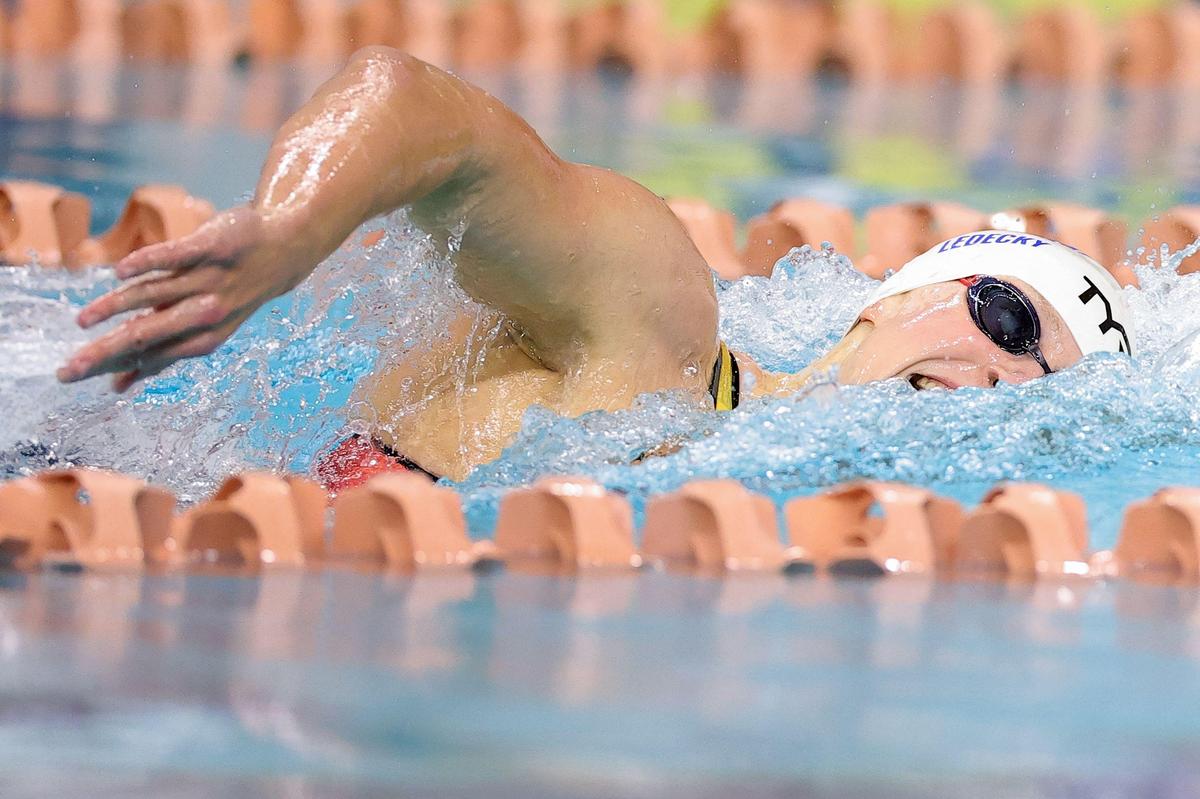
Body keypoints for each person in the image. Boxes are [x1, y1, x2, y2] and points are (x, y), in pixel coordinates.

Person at [55, 48, 1132, 487]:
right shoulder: (660, 322)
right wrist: (290, 230)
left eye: (1043, 394)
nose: (1008, 374)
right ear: (893, 300)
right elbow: (418, 107)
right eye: (1009, 318)